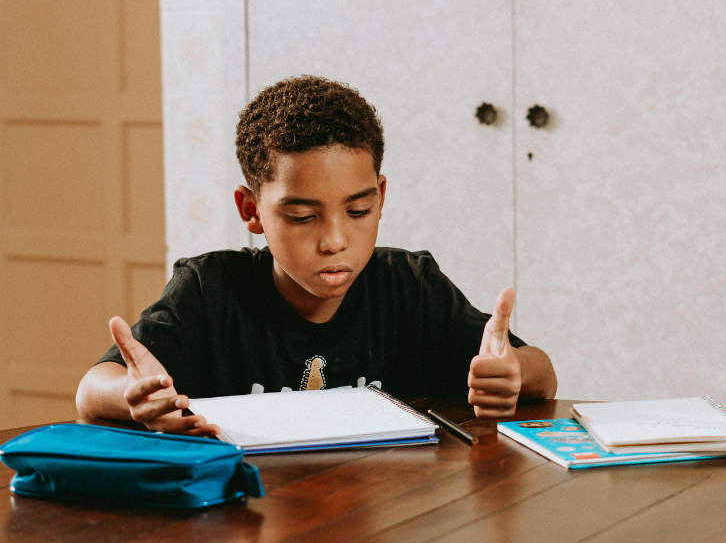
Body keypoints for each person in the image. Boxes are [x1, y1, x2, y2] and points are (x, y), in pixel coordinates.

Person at [75, 76, 557, 436]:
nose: (334, 240)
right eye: (303, 217)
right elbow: (92, 391)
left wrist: (512, 372)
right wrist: (132, 396)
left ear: (381, 197)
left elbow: (541, 373)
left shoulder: (408, 284)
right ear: (252, 210)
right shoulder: (211, 288)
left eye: (358, 210)